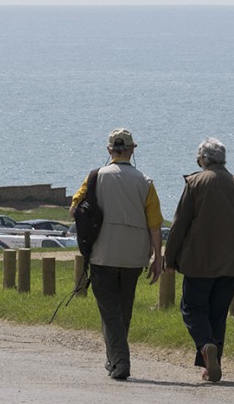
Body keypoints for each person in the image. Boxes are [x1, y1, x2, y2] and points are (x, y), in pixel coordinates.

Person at [163, 137, 234, 383]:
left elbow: (180, 223)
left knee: (192, 308)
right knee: (218, 313)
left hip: (199, 261)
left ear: (204, 160)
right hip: (233, 263)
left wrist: (170, 257)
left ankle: (206, 346)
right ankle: (210, 365)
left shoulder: (196, 183)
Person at [69, 128, 164, 381]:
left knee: (110, 310)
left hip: (103, 252)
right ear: (132, 150)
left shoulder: (96, 177)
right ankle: (113, 359)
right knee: (123, 310)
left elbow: (74, 209)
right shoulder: (146, 182)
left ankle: (121, 360)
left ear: (109, 150)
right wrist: (158, 257)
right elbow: (155, 224)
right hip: (134, 256)